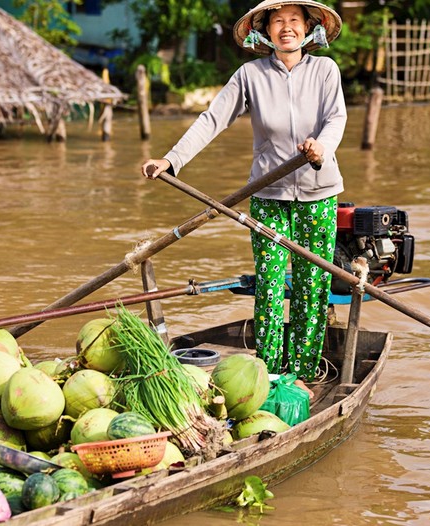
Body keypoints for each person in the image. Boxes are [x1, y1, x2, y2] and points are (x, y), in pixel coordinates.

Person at [140, 0, 346, 398]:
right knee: (269, 283)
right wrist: (171, 159)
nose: (286, 28)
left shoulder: (325, 70)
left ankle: (303, 372)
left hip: (319, 194)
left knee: (311, 283)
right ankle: (267, 374)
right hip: (267, 193)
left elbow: (336, 117)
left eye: (294, 22)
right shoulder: (250, 74)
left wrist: (320, 147)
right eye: (278, 22)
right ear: (265, 32)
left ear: (308, 28)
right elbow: (212, 119)